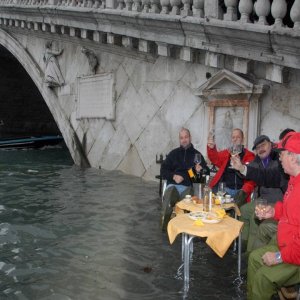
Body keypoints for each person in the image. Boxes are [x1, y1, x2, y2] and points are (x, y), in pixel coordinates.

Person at [247, 132, 300, 300]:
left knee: (263, 278)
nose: (279, 159)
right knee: (254, 258)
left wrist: (278, 257)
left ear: (292, 157)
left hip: (294, 254)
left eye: (281, 154)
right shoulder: (293, 180)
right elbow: (290, 211)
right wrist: (273, 212)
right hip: (287, 244)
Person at [238, 135, 284, 252]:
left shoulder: (279, 159)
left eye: (263, 145)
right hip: (262, 199)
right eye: (258, 147)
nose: (260, 149)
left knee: (255, 216)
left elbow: (267, 175)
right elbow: (248, 170)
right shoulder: (257, 161)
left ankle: (251, 253)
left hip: (277, 201)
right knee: (243, 210)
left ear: (271, 144)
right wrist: (240, 167)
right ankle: (243, 244)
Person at [160, 128, 210, 231]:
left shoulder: (197, 155)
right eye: (181, 138)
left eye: (186, 137)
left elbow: (207, 172)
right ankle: (164, 228)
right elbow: (163, 170)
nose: (184, 140)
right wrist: (173, 176)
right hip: (173, 185)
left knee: (187, 200)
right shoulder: (173, 154)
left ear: (190, 138)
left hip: (188, 187)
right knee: (169, 195)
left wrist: (201, 170)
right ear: (179, 139)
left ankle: (185, 230)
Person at [207, 128, 255, 207]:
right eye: (233, 137)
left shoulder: (249, 155)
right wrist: (211, 148)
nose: (235, 139)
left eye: (238, 137)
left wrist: (244, 191)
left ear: (243, 139)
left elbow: (252, 178)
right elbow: (215, 159)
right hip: (226, 190)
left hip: (241, 191)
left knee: (239, 213)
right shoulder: (227, 153)